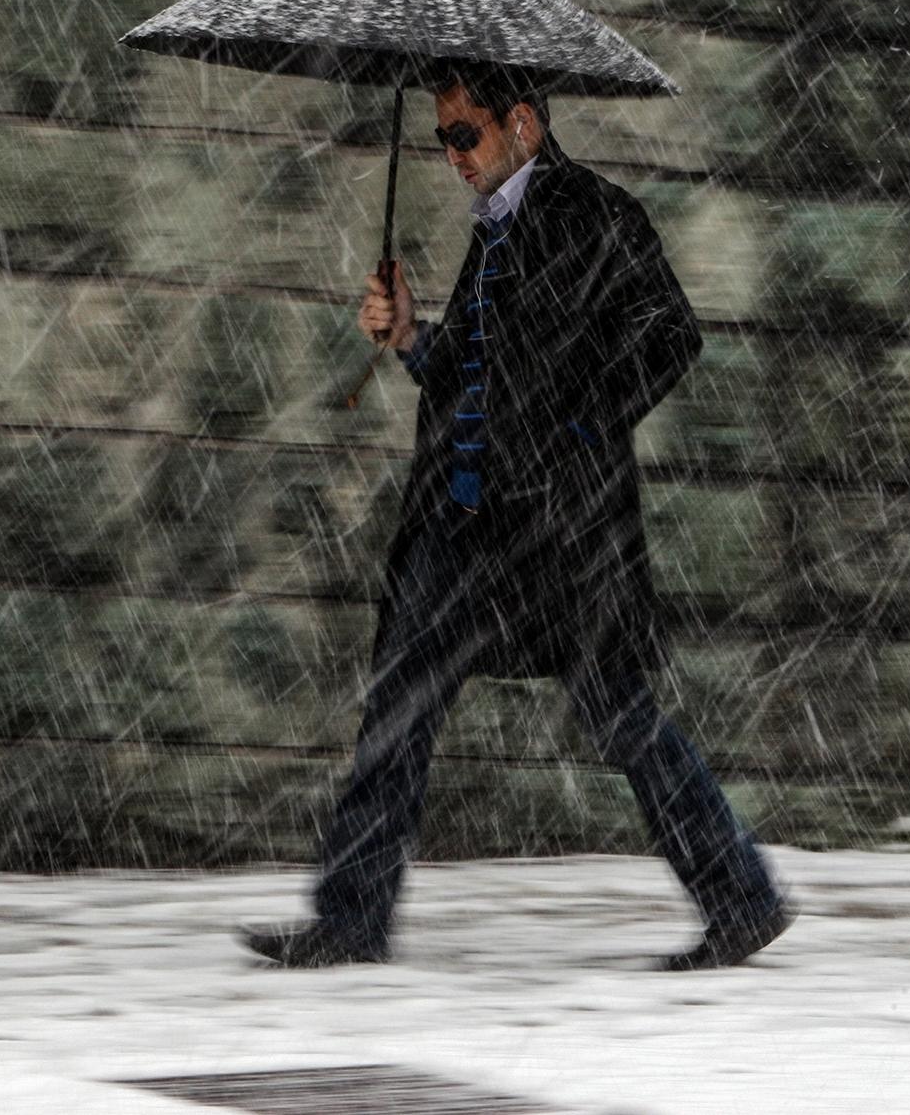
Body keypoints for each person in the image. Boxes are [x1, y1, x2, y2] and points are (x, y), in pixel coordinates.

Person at [237, 65, 794, 970]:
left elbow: (671, 336)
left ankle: (740, 897)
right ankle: (350, 917)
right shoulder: (495, 228)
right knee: (398, 709)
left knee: (622, 714)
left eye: (465, 135)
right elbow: (470, 373)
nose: (452, 156)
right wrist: (409, 334)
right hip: (465, 527)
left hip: (561, 534)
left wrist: (576, 428)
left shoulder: (594, 215)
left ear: (523, 123)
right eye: (442, 140)